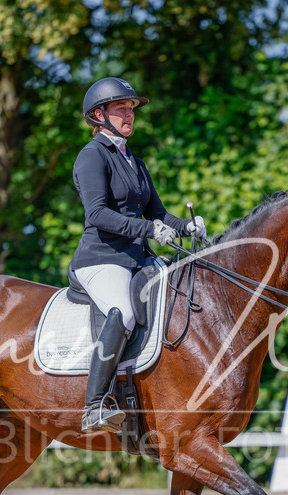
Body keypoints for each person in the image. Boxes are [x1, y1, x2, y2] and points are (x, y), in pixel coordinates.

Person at [71, 77, 207, 434]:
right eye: (121, 108)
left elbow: (157, 213)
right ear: (98, 115)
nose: (130, 115)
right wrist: (149, 230)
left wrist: (185, 228)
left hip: (137, 258)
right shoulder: (92, 156)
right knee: (125, 311)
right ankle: (94, 405)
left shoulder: (135, 161)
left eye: (131, 109)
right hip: (102, 258)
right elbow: (97, 214)